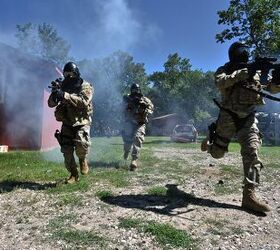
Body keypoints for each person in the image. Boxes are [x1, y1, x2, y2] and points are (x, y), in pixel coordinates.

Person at [201, 42, 280, 213]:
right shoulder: (225, 69)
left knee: (252, 152)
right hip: (228, 117)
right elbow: (220, 83)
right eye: (241, 50)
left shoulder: (257, 72)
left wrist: (278, 80)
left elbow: (271, 89)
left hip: (249, 118)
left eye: (246, 50)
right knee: (217, 154)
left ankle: (249, 196)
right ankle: (210, 141)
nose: (244, 53)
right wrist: (245, 72)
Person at [48, 62, 94, 183]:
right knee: (66, 150)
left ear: (76, 73)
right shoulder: (62, 86)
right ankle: (73, 174)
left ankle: (83, 160)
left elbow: (83, 102)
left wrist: (65, 95)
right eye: (66, 74)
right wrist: (55, 93)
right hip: (67, 121)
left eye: (71, 73)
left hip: (82, 121)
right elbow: (50, 104)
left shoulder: (85, 86)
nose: (69, 76)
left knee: (81, 142)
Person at [122, 83, 154, 171]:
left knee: (138, 138)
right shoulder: (127, 98)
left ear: (139, 90)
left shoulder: (145, 99)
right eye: (133, 90)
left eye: (136, 90)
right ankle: (126, 154)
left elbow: (151, 109)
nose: (135, 91)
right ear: (131, 90)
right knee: (127, 142)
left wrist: (144, 107)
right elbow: (121, 109)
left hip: (140, 123)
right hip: (129, 123)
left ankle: (134, 160)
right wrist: (128, 105)